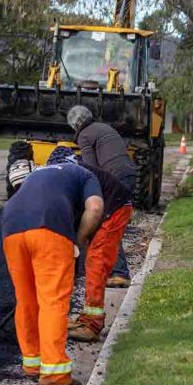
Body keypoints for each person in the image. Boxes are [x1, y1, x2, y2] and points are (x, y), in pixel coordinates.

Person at [1, 155, 104, 385]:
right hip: (49, 226)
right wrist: (77, 240)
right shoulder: (85, 175)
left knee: (26, 299)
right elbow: (95, 208)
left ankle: (33, 364)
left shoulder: (38, 174)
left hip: (10, 225)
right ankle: (55, 373)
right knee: (53, 301)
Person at [44, 147, 133, 343]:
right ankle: (85, 317)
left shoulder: (82, 175)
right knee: (91, 262)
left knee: (96, 262)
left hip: (114, 208)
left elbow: (93, 210)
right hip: (104, 208)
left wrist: (79, 239)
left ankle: (92, 324)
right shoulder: (67, 179)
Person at [67, 105, 135, 288]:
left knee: (107, 223)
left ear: (74, 125)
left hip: (115, 176)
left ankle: (119, 273)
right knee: (113, 222)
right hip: (128, 173)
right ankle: (110, 270)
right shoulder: (104, 128)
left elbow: (91, 168)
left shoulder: (84, 135)